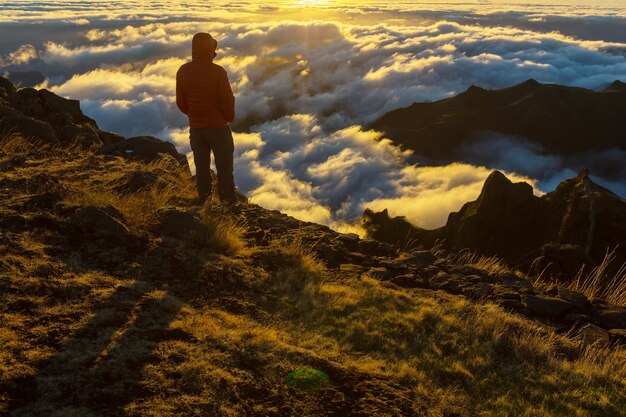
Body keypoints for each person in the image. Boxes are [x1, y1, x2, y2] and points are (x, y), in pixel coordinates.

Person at [176, 32, 236, 205]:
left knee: (201, 168)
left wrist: (195, 115)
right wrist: (227, 118)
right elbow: (227, 100)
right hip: (219, 129)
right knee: (224, 168)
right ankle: (228, 205)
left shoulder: (183, 71)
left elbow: (181, 103)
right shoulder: (218, 72)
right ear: (211, 49)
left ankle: (204, 202)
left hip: (197, 129)